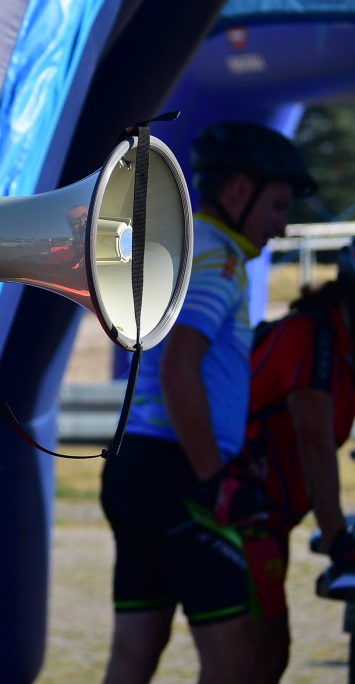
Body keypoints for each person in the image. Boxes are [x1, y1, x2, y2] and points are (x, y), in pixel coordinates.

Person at [99, 120, 317, 684]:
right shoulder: (219, 258)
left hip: (139, 464)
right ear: (240, 191)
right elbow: (179, 369)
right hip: (179, 472)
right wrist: (217, 477)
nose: (282, 224)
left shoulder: (189, 244)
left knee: (133, 655)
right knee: (238, 660)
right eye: (277, 205)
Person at [237, 242, 355, 682]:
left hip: (271, 515)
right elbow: (315, 442)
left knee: (261, 655)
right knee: (261, 653)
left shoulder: (342, 341)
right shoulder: (315, 337)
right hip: (243, 510)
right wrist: (338, 538)